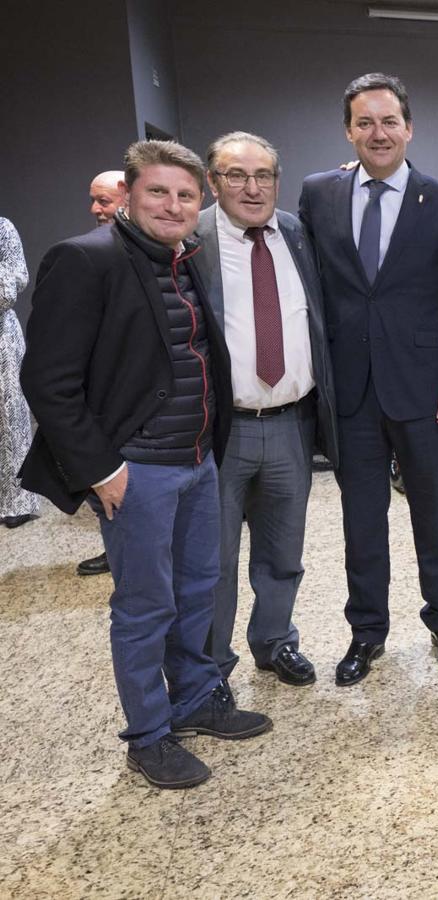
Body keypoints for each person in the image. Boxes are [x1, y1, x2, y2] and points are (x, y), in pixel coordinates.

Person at [20, 140, 272, 790]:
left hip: (195, 463)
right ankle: (148, 736)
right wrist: (101, 469)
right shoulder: (86, 259)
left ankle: (193, 703)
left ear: (201, 202)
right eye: (159, 191)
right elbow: (48, 381)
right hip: (136, 470)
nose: (173, 204)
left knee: (195, 593)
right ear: (130, 194)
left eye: (186, 195)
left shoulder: (185, 259)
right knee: (144, 606)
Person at [299, 72, 438, 685]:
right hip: (350, 392)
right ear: (348, 130)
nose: (378, 133)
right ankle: (366, 632)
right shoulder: (318, 195)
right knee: (361, 521)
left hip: (425, 390)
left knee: (434, 516)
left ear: (409, 127)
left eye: (389, 121)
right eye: (364, 122)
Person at [196, 132, 339, 689]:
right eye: (236, 175)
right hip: (221, 429)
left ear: (279, 181)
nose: (252, 188)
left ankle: (275, 641)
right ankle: (210, 668)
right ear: (213, 181)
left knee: (284, 551)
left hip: (290, 424)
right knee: (215, 563)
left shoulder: (298, 234)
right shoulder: (194, 238)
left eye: (264, 176)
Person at [76, 170, 129, 575]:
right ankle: (119, 554)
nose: (96, 209)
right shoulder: (83, 256)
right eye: (94, 201)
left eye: (104, 201)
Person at [0, 216, 40, 527]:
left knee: (9, 420)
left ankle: (17, 501)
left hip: (1, 340)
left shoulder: (3, 228)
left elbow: (11, 287)